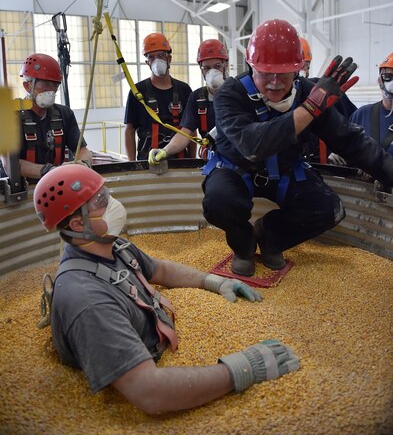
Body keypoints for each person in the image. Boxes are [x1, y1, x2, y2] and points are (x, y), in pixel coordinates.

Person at [33, 164, 300, 415]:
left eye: (107, 193)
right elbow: (149, 391)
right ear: (78, 224)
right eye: (101, 200)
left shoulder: (113, 248)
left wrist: (214, 281)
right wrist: (241, 370)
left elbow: (159, 270)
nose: (113, 203)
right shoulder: (88, 301)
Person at [202, 19, 393, 277]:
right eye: (265, 72)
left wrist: (389, 173)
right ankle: (244, 245)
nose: (275, 82)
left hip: (285, 170)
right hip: (235, 169)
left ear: (299, 69)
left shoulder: (307, 92)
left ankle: (269, 237)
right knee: (219, 201)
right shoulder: (230, 94)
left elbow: (351, 141)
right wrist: (311, 108)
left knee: (327, 210)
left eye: (283, 72)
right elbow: (252, 145)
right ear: (250, 65)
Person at [2, 53, 92, 180]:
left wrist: (84, 164)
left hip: (55, 183)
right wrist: (51, 170)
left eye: (55, 85)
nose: (51, 90)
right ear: (27, 85)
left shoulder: (64, 115)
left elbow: (82, 150)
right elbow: (9, 165)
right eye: (46, 84)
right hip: (21, 189)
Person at [148, 38, 228, 163]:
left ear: (226, 65)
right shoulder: (197, 98)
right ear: (201, 69)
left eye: (217, 66)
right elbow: (185, 133)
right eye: (207, 68)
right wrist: (165, 151)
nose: (212, 72)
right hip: (212, 161)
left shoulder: (240, 93)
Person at [124, 33, 194, 161]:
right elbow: (129, 130)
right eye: (152, 57)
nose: (157, 61)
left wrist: (193, 160)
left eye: (161, 55)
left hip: (181, 162)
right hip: (147, 162)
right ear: (147, 62)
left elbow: (191, 130)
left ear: (169, 59)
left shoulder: (184, 90)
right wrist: (132, 163)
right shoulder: (137, 91)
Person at [330, 52, 393, 163]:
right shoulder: (362, 114)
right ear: (379, 80)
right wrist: (340, 156)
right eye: (388, 76)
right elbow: (348, 146)